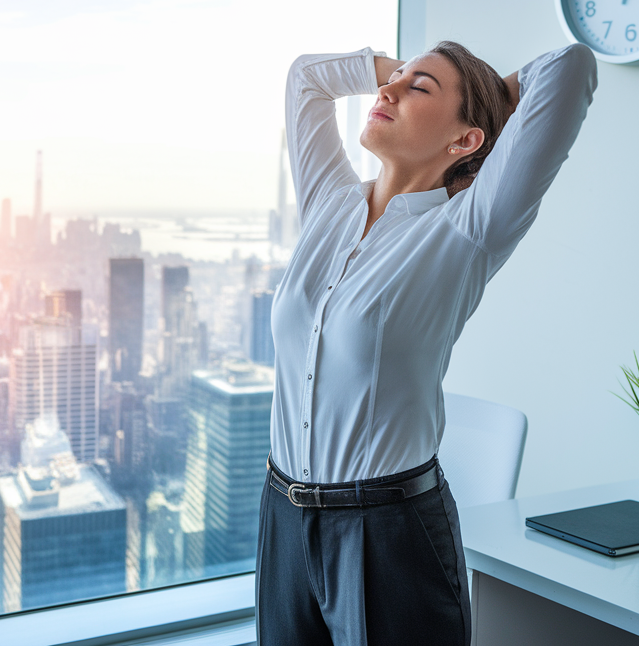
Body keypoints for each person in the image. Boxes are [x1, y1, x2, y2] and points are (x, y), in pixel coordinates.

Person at [255, 41, 597, 644]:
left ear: (465, 141)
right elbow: (306, 79)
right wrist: (402, 74)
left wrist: (489, 98)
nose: (386, 92)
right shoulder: (328, 206)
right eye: (393, 81)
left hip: (388, 534)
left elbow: (568, 69)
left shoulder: (468, 228)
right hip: (281, 512)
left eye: (419, 89)